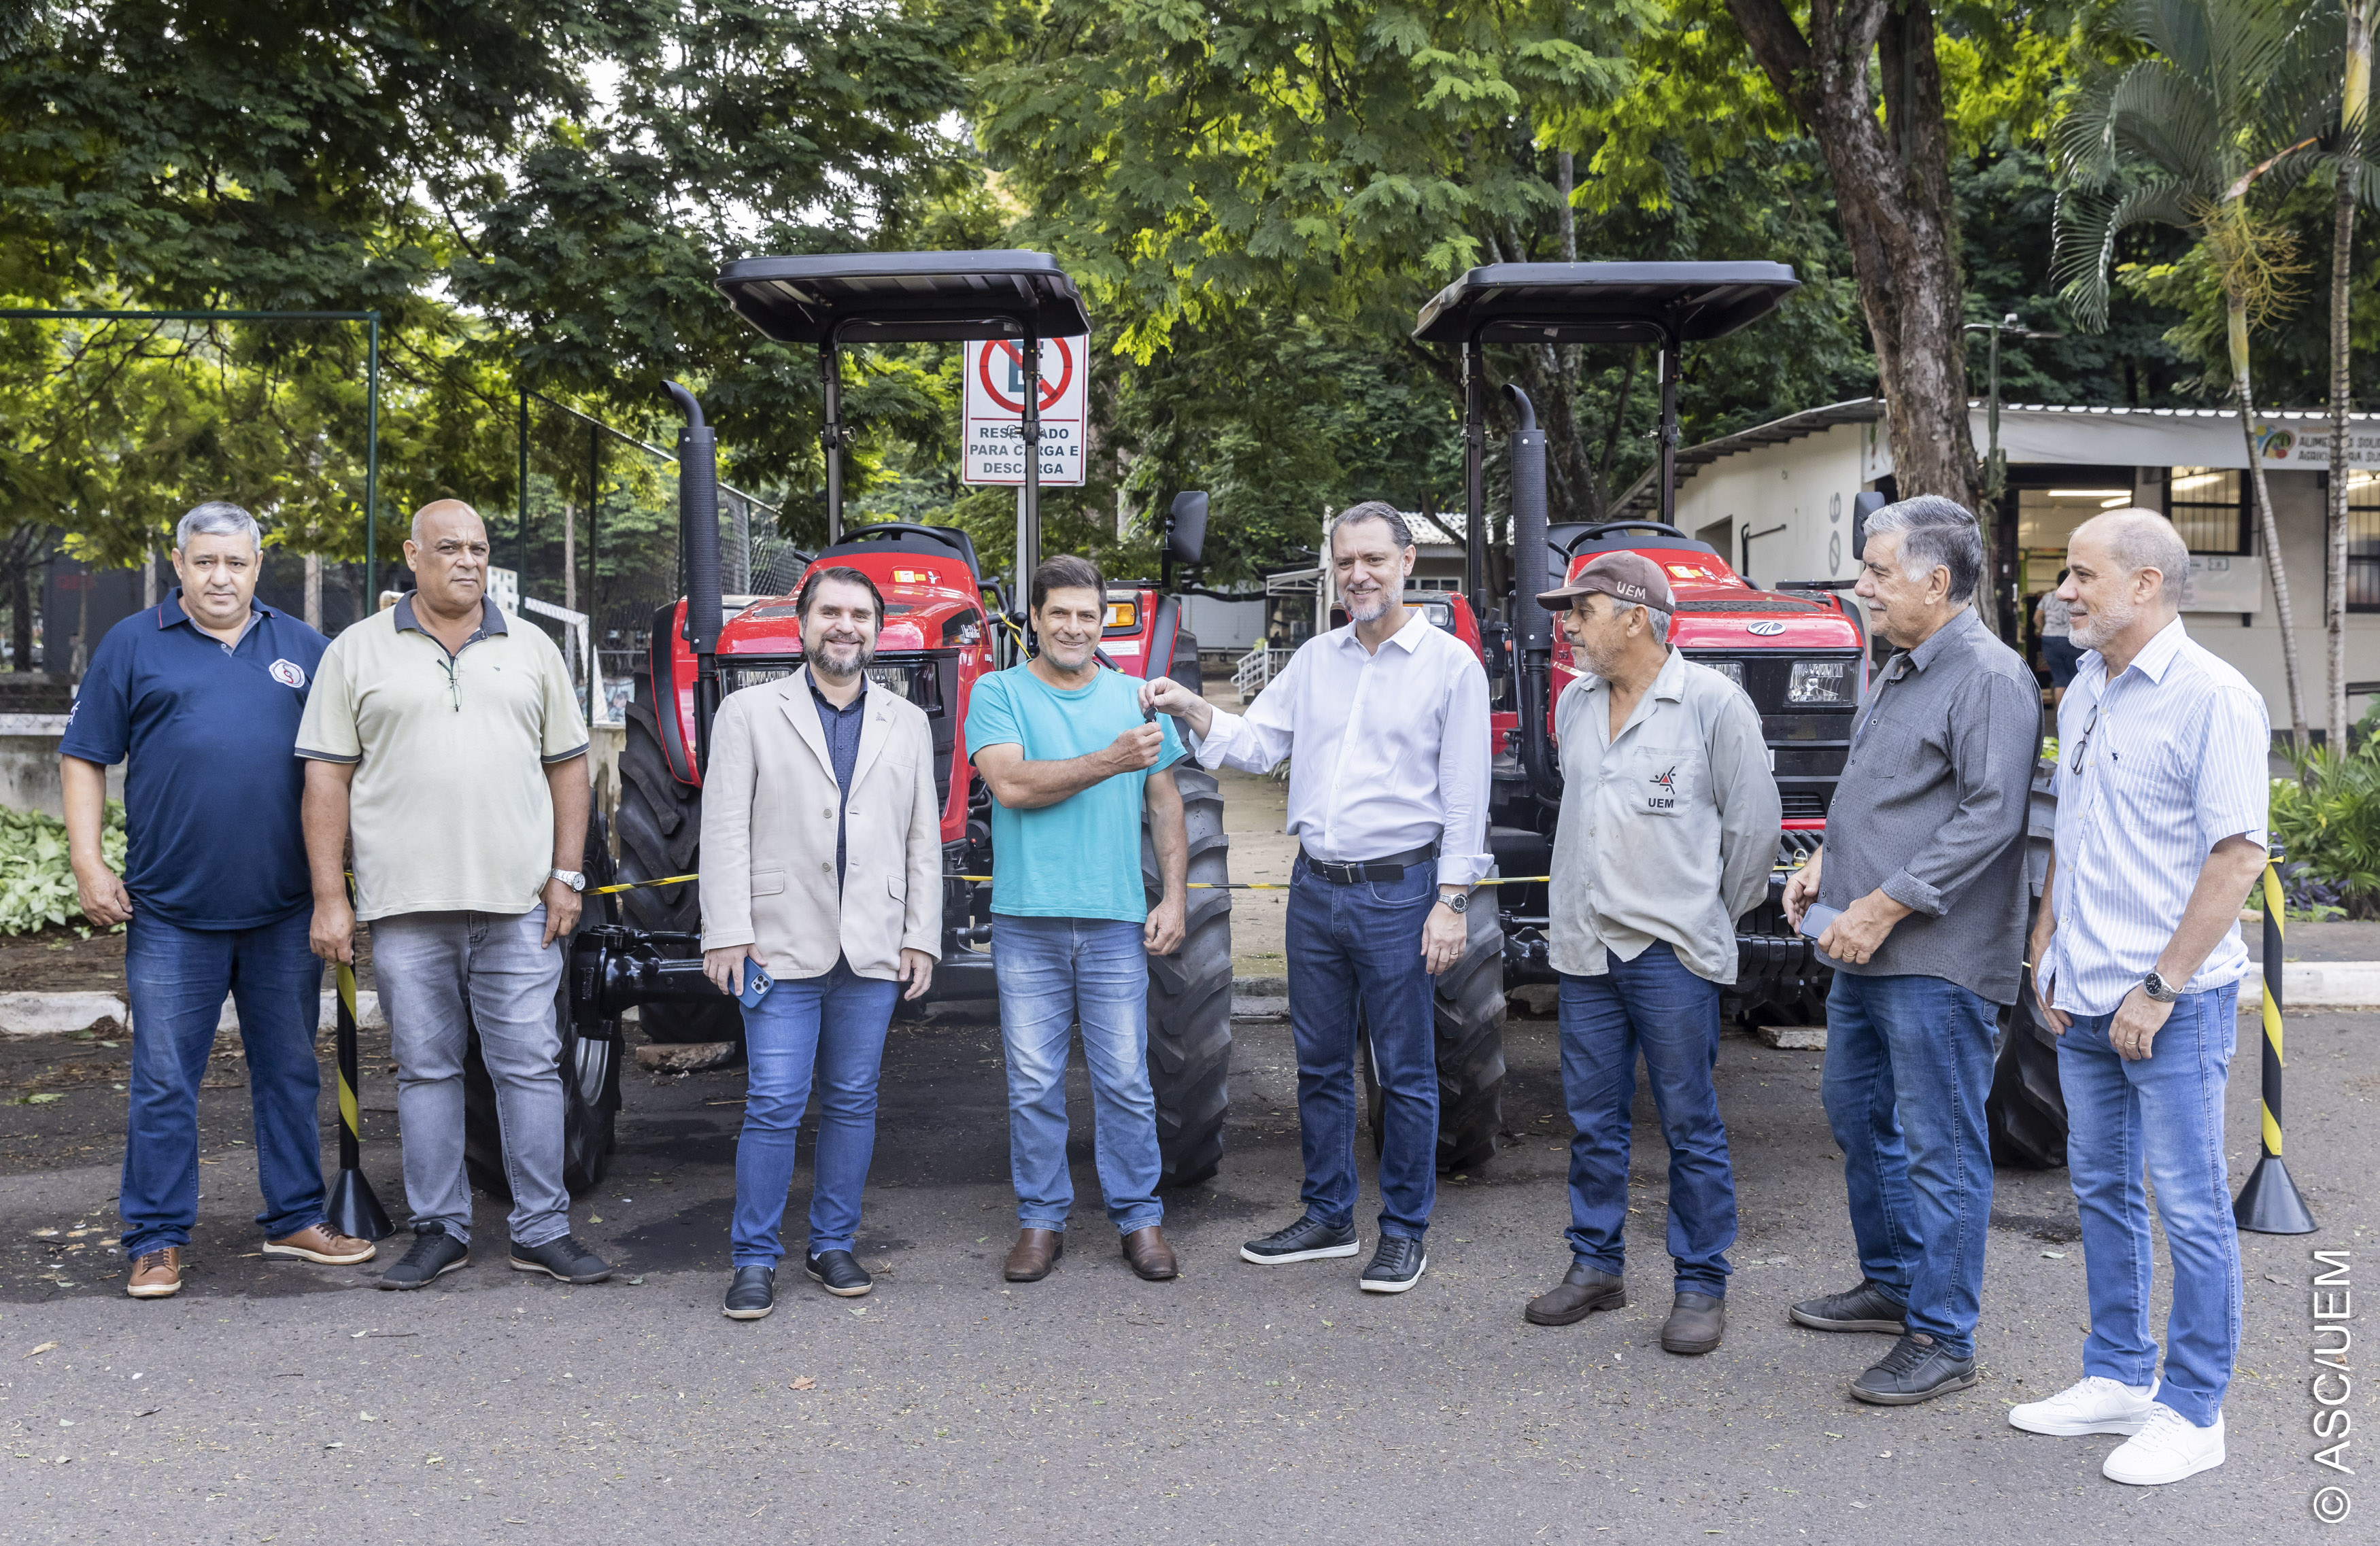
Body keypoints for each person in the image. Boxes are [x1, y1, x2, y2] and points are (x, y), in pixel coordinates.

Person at [1144, 501, 1489, 1294]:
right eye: (1344, 562)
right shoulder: (1315, 660)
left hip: (1401, 893)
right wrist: (1192, 708)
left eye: (1372, 559)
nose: (1357, 575)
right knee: (1321, 1066)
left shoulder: (1448, 666)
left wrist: (1451, 899)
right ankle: (1330, 1215)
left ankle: (1402, 1232)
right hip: (1315, 890)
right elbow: (1260, 745)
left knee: (1403, 1072)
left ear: (1408, 562)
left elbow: (1467, 797)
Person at [2011, 510, 2268, 1486]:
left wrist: (2159, 987)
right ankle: (2119, 1374)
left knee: (2192, 1205)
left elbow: (2239, 854)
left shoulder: (2214, 698)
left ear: (2147, 583)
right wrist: (2047, 936)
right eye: (2065, 575)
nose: (2064, 592)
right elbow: (2075, 827)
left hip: (2174, 1001)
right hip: (2082, 989)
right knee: (2102, 1192)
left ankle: (2195, 1409)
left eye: (2082, 575)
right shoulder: (2084, 687)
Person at [61, 502, 374, 1299]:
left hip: (281, 910)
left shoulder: (307, 649)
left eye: (235, 562)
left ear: (257, 567)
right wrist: (90, 864)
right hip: (170, 913)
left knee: (288, 1073)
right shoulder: (132, 645)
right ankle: (156, 1239)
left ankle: (296, 1218)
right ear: (179, 564)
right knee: (165, 1081)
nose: (220, 577)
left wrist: (334, 889)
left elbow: (342, 771)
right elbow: (84, 757)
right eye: (205, 562)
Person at [298, 500, 612, 1291]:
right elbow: (325, 778)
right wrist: (330, 898)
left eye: (477, 547)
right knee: (425, 1071)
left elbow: (569, 767)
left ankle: (541, 1229)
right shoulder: (356, 652)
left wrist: (566, 876)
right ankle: (442, 1229)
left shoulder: (531, 648)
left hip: (518, 906)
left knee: (532, 1069)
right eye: (448, 548)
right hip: (406, 908)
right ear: (412, 554)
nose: (466, 561)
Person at [1780, 494, 2039, 1404]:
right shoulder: (1897, 666)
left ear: (1936, 580)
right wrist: (1824, 863)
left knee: (1942, 1145)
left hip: (1932, 955)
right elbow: (1879, 791)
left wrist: (1883, 905)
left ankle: (1943, 1333)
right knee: (1856, 1111)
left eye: (1877, 572)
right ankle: (1896, 1281)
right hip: (1864, 940)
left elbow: (1989, 817)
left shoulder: (1989, 676)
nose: (1861, 587)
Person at [1522, 553, 1780, 1354]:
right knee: (1593, 1123)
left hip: (1668, 953)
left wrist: (1700, 916)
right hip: (1585, 947)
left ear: (1634, 617)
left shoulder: (1710, 704)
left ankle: (1700, 1283)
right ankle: (1595, 1265)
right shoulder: (1572, 702)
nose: (1566, 626)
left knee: (1688, 1123)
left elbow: (1752, 834)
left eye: (1581, 611)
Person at [699, 566, 941, 1320]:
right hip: (775, 943)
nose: (845, 626)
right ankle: (753, 1258)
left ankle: (832, 1243)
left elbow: (920, 838)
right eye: (831, 612)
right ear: (802, 625)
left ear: (877, 630)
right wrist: (727, 930)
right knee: (773, 1101)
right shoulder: (746, 713)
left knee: (851, 1099)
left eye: (860, 615)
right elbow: (724, 830)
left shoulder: (906, 721)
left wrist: (921, 936)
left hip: (871, 946)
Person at [966, 554, 1189, 1285]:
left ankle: (1139, 1218)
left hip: (1112, 918)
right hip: (1026, 918)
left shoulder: (1135, 698)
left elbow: (1164, 803)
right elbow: (1011, 784)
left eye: (1086, 615)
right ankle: (1040, 1220)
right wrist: (1109, 757)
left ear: (1102, 623)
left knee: (1124, 1077)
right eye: (1057, 612)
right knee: (1032, 1081)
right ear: (1033, 617)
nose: (1071, 626)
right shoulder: (997, 692)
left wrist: (1175, 897)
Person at [2037, 574, 2080, 706]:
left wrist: (2042, 629)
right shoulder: (2076, 596)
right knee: (2075, 678)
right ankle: (2074, 715)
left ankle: (2060, 719)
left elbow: (2036, 617)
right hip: (2070, 639)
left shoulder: (2048, 597)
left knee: (2059, 679)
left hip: (2050, 639)